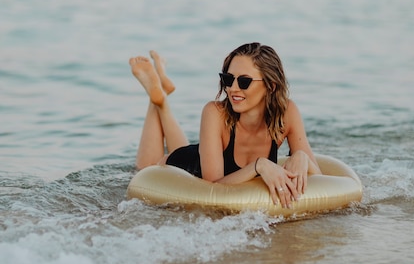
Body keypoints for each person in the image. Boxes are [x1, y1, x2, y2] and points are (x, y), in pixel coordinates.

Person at [129, 43, 321, 209]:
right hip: (184, 169)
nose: (232, 88)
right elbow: (213, 188)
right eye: (228, 79)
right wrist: (259, 165)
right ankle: (157, 100)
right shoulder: (215, 112)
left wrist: (301, 156)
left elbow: (320, 177)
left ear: (270, 86)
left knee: (188, 147)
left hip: (202, 155)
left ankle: (161, 95)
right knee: (142, 169)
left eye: (244, 81)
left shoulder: (287, 112)